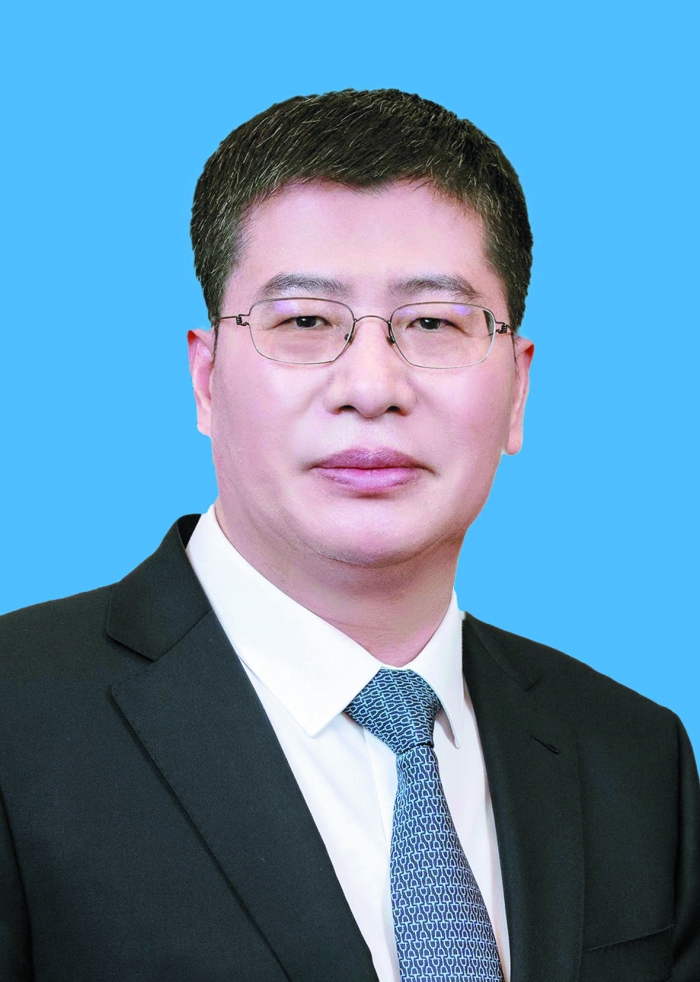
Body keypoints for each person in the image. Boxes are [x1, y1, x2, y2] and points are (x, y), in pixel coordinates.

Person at [0, 89, 697, 982]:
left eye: (434, 323)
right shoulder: (17, 720)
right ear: (206, 380)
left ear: (518, 391)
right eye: (304, 322)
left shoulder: (634, 758)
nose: (371, 387)